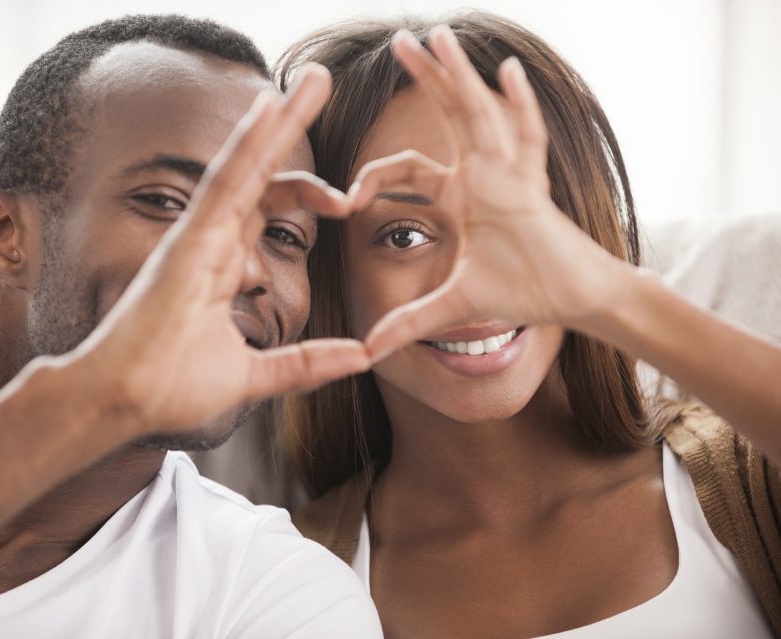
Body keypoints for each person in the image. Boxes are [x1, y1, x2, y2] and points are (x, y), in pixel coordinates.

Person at [0, 15, 383, 639]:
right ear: (3, 235)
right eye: (168, 202)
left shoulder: (274, 591)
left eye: (282, 234)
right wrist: (89, 404)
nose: (243, 266)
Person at [278, 12, 781, 638]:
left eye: (515, 221)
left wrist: (609, 295)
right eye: (403, 235)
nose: (474, 276)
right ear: (328, 274)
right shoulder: (281, 575)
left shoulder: (746, 479)